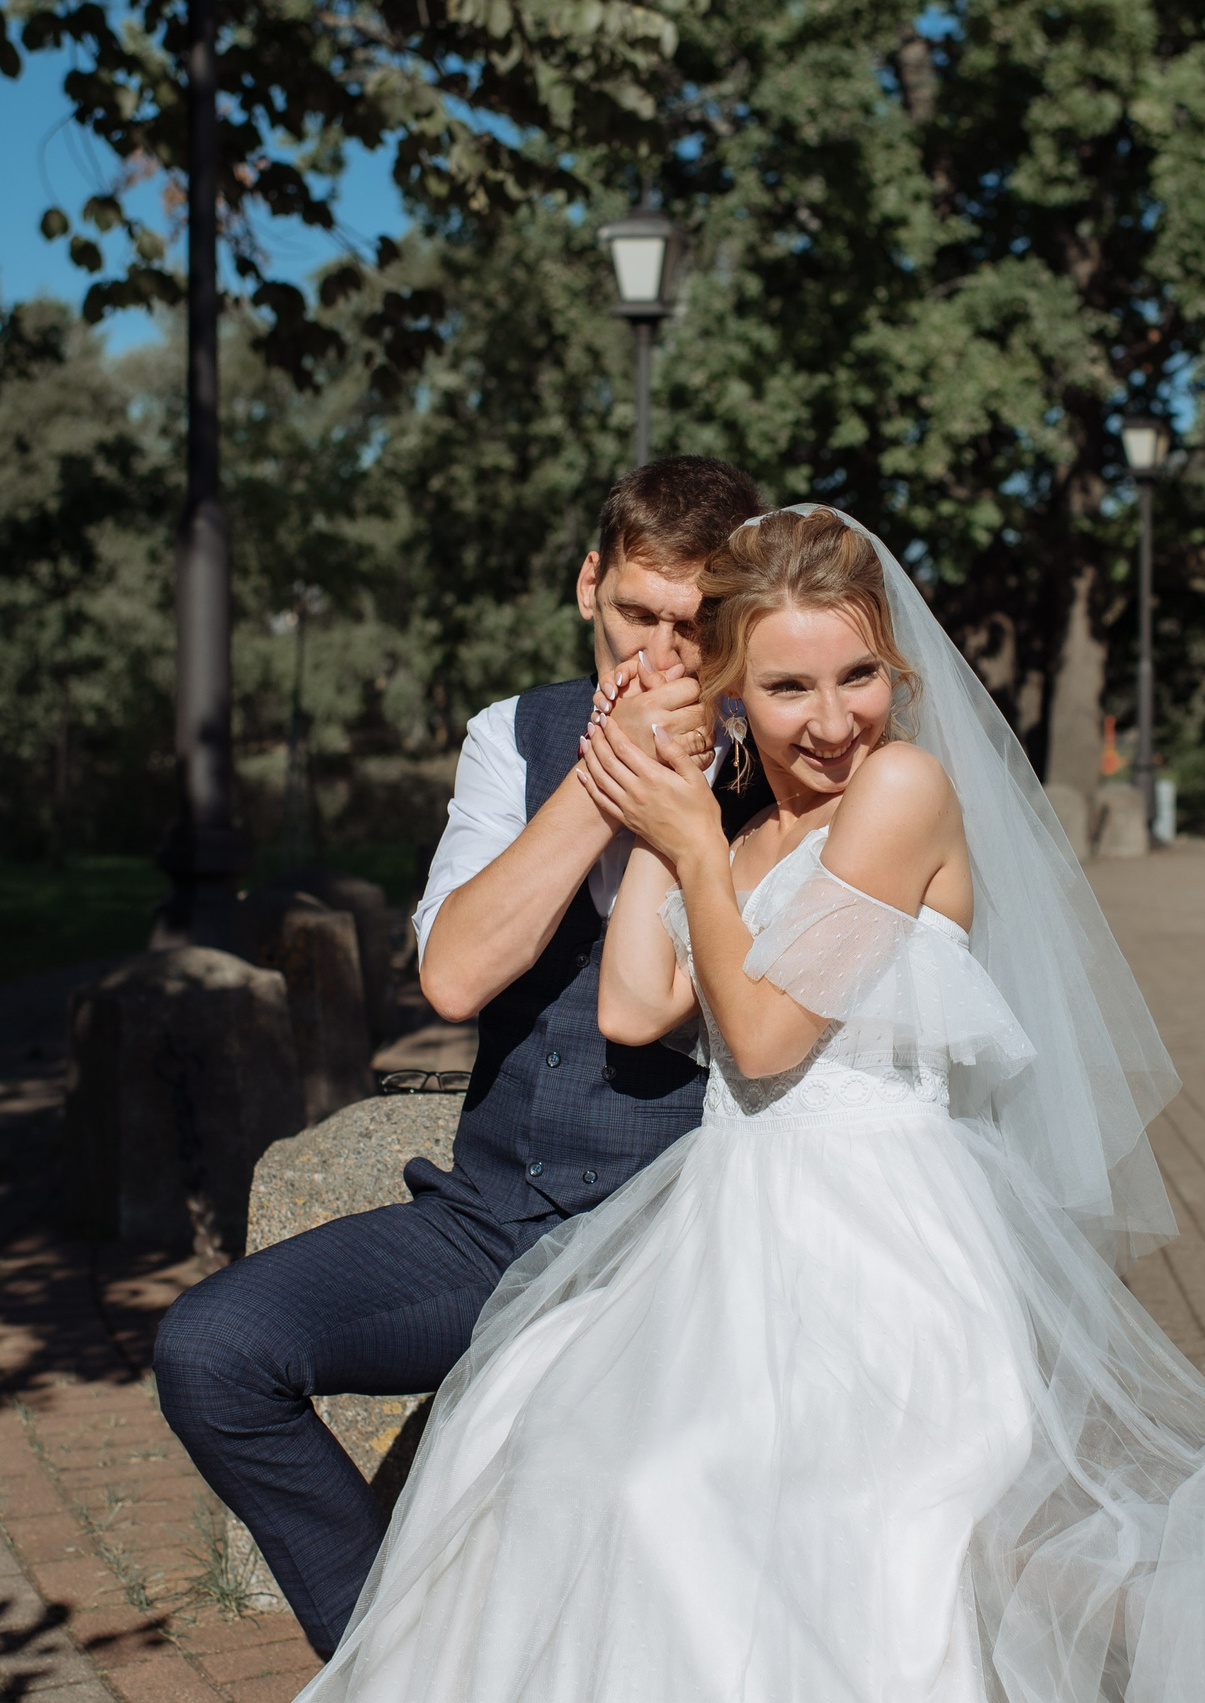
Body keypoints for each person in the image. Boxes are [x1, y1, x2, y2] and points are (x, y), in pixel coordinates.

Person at [295, 507, 1205, 1703]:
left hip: (875, 1248)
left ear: (895, 668)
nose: (835, 719)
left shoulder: (899, 791)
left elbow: (762, 1033)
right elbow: (638, 1008)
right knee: (537, 1435)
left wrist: (689, 843)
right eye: (788, 687)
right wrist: (671, 808)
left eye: (859, 676)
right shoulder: (750, 826)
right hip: (726, 1229)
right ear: (732, 688)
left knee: (675, 1500)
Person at [151, 457, 774, 1654]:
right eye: (636, 614)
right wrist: (604, 787)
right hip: (492, 1221)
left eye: (696, 631)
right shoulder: (513, 735)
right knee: (212, 1350)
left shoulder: (783, 763)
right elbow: (453, 976)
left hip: (686, 1231)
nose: (657, 659)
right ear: (589, 584)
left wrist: (692, 795)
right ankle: (398, 1653)